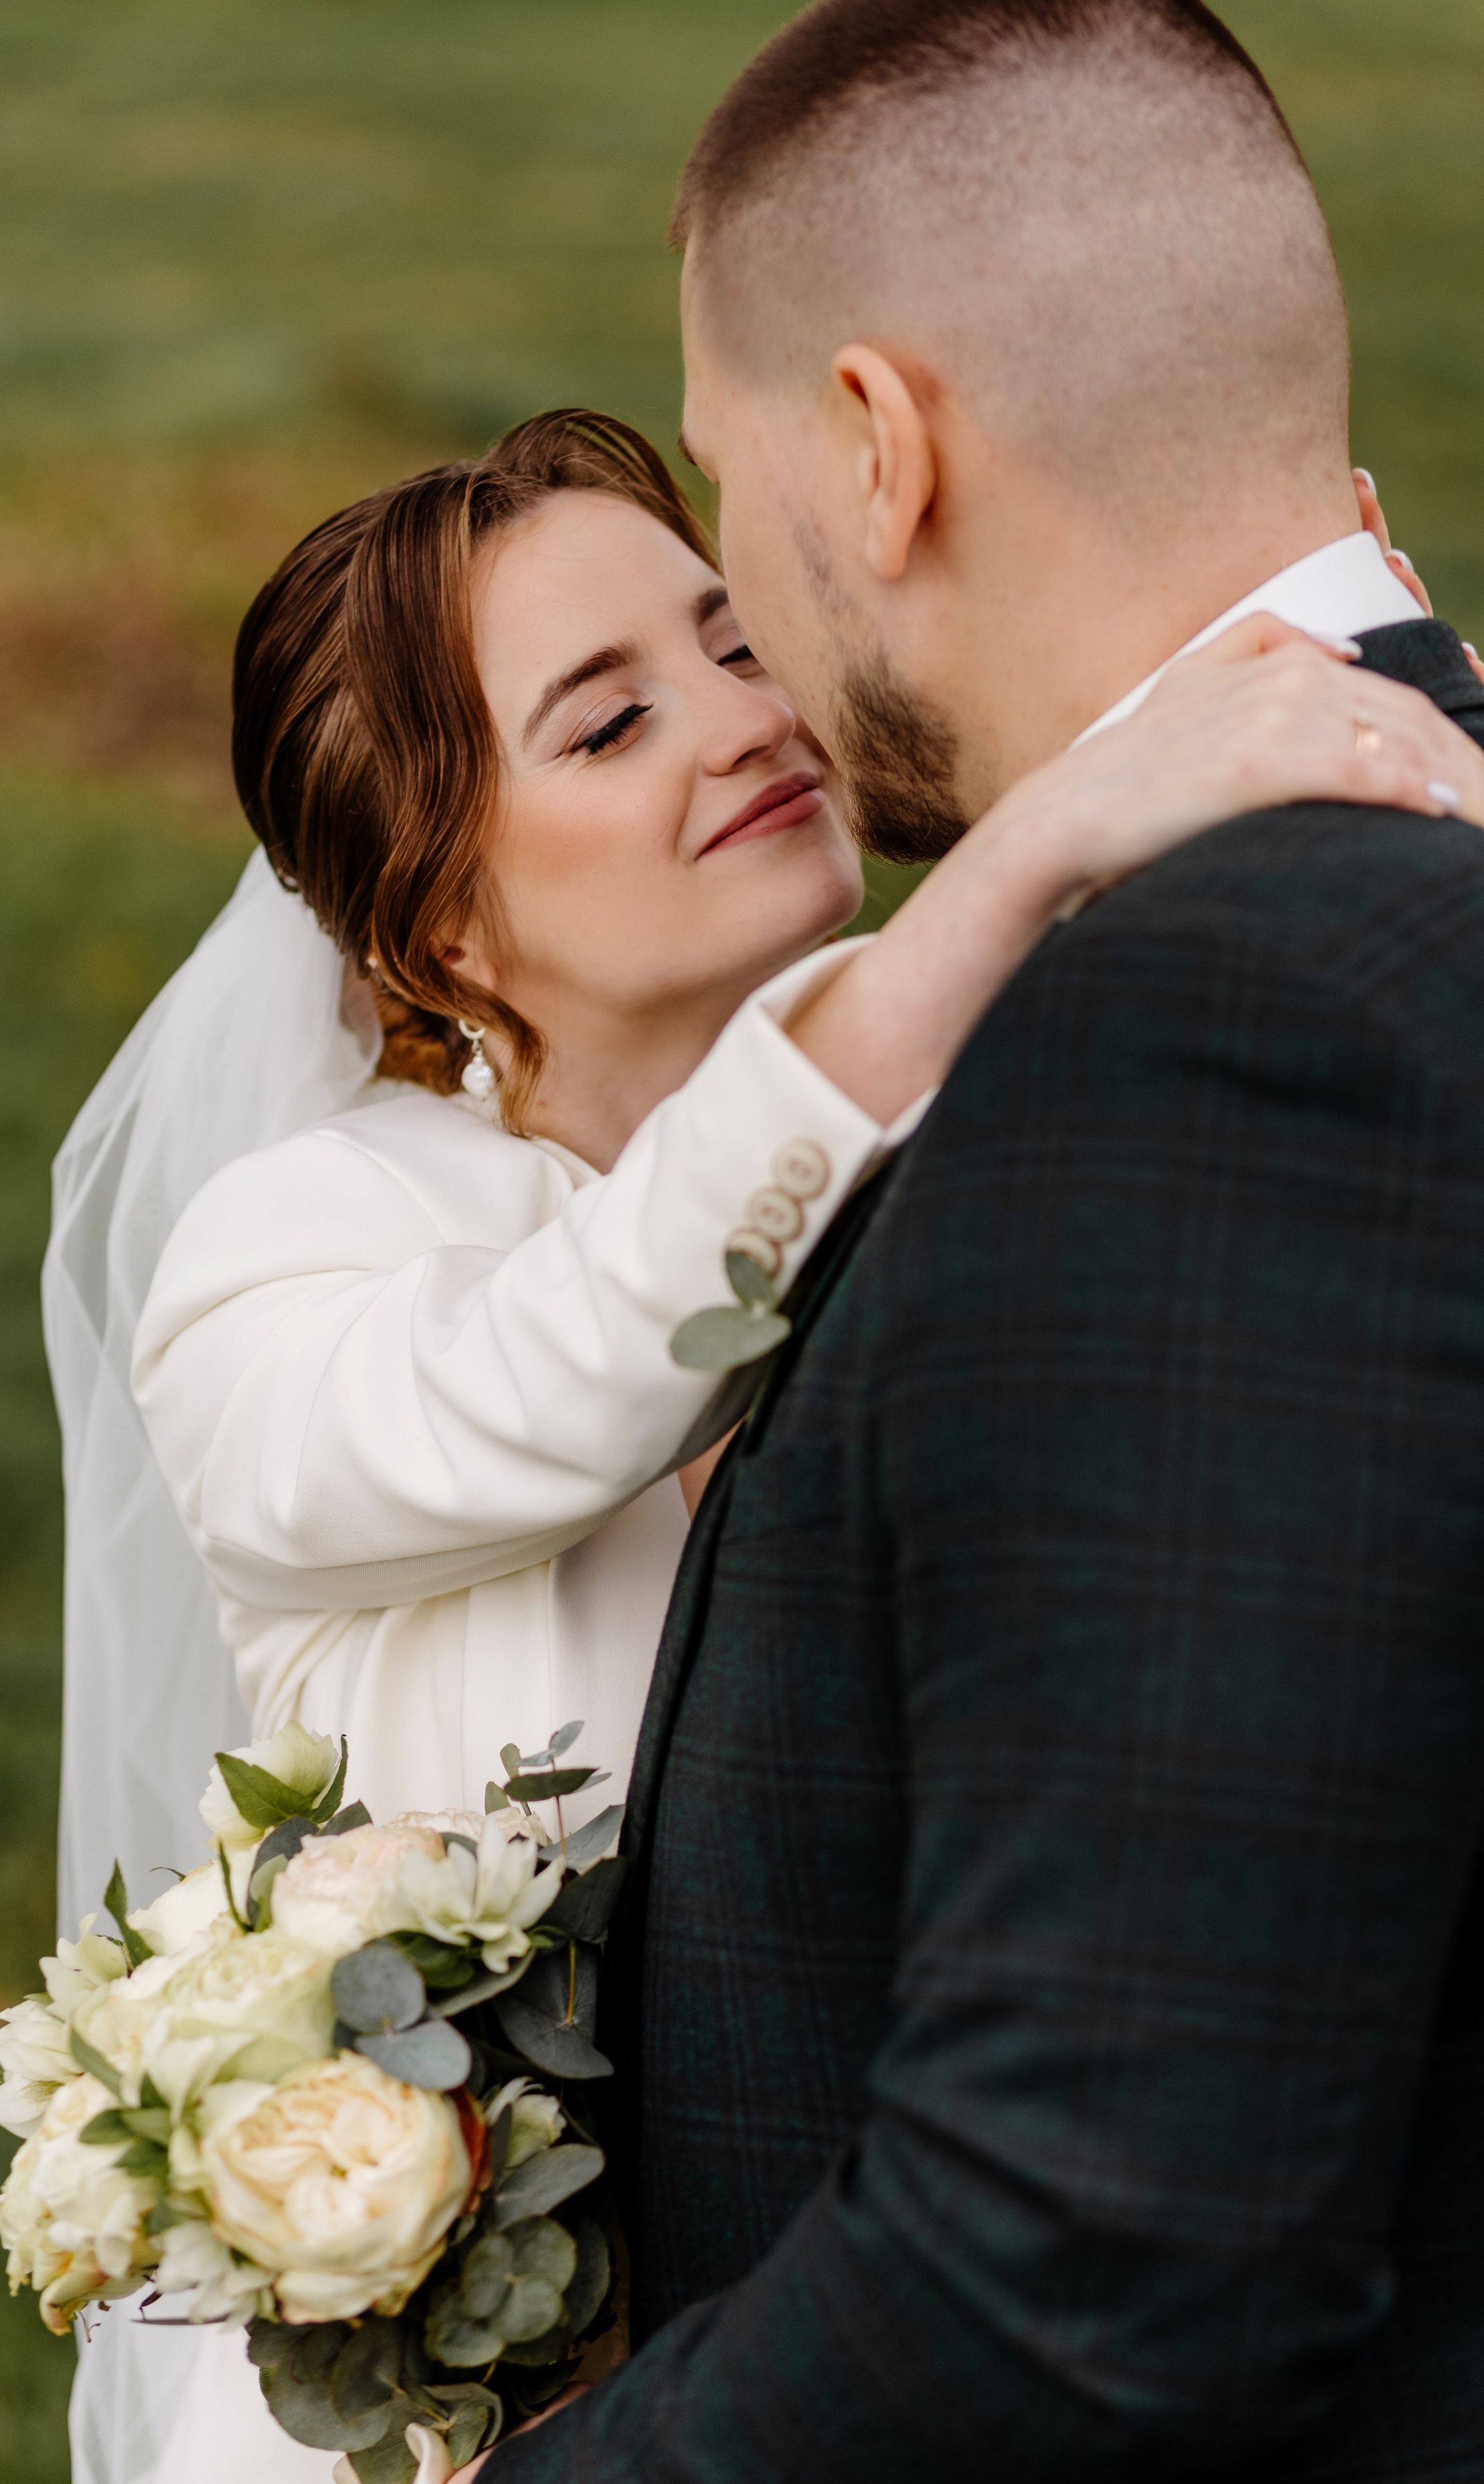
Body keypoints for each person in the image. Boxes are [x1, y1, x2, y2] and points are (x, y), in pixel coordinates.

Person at [54, 388, 1474, 2483]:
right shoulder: (296, 1258)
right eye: (607, 723)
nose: (747, 719)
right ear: (440, 933)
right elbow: (570, 1364)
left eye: (730, 640)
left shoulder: (963, 1084)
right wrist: (1031, 847)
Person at [468, 5, 1484, 2481]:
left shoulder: (1230, 1016)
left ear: (880, 444)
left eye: (732, 488)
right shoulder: (1410, 857)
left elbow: (1093, 2265)